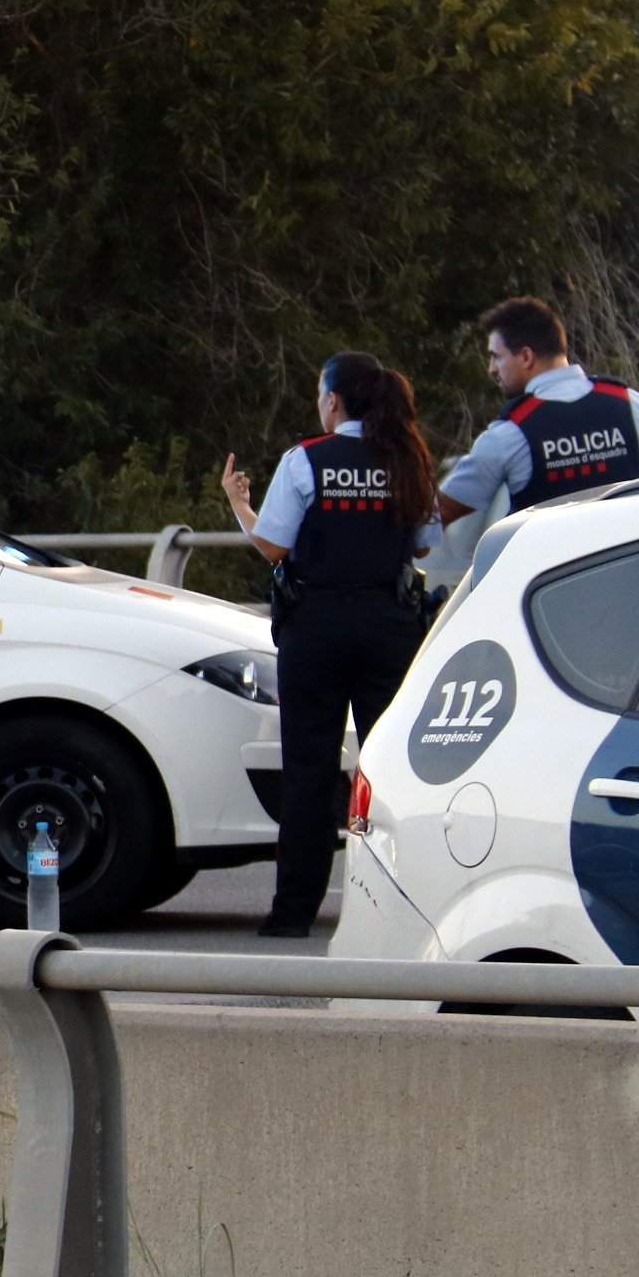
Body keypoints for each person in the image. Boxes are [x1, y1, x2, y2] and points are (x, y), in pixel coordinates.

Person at [220, 353, 439, 939]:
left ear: (334, 401)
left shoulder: (305, 460)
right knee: (391, 770)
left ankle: (293, 913)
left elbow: (273, 548)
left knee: (310, 771)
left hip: (315, 629)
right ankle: (405, 908)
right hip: (390, 626)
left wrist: (240, 505)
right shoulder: (406, 457)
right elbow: (423, 546)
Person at [439, 296, 639, 527]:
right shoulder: (634, 406)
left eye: (496, 357)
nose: (491, 369)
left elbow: (440, 513)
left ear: (525, 356)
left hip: (556, 570)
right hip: (635, 567)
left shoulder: (511, 432)